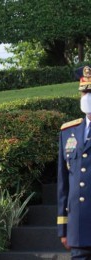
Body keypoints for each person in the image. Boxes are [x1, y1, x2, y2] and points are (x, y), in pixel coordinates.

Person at [58, 65, 91, 259]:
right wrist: (63, 227)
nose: (87, 96)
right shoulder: (68, 132)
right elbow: (63, 184)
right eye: (84, 91)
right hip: (78, 228)